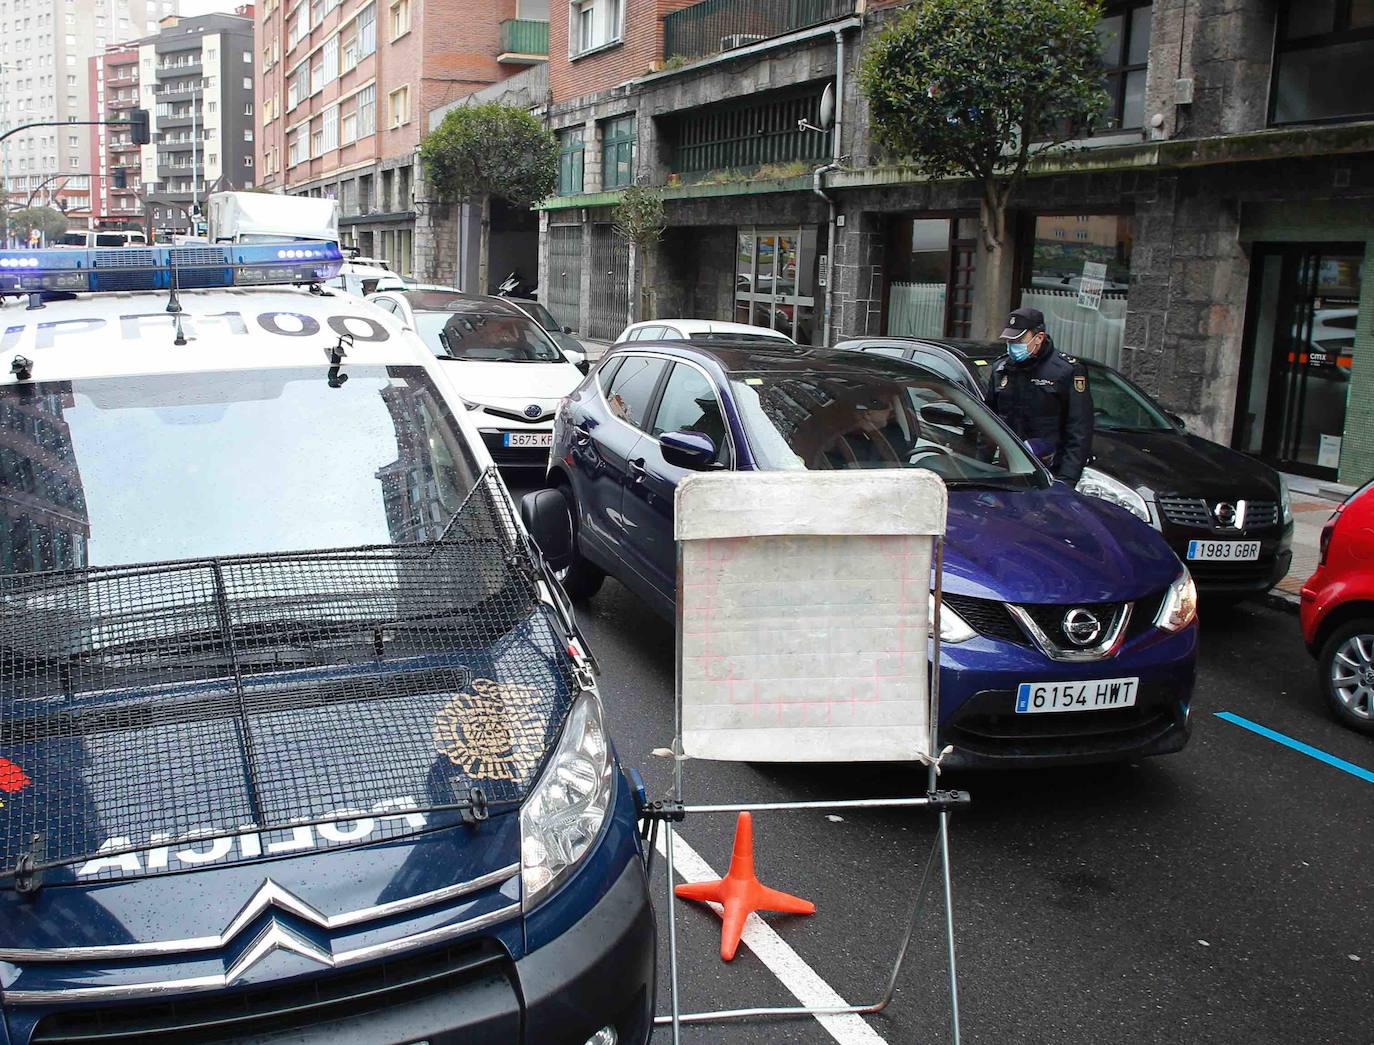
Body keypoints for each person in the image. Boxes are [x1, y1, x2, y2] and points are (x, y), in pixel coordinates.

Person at [986, 306, 1093, 483]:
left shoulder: (1066, 371)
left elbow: (1078, 431)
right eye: (1010, 341)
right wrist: (982, 469)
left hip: (1047, 473)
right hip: (1006, 472)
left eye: (1018, 340)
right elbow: (988, 424)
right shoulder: (1002, 369)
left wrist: (1067, 479)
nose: (1013, 346)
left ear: (1039, 338)